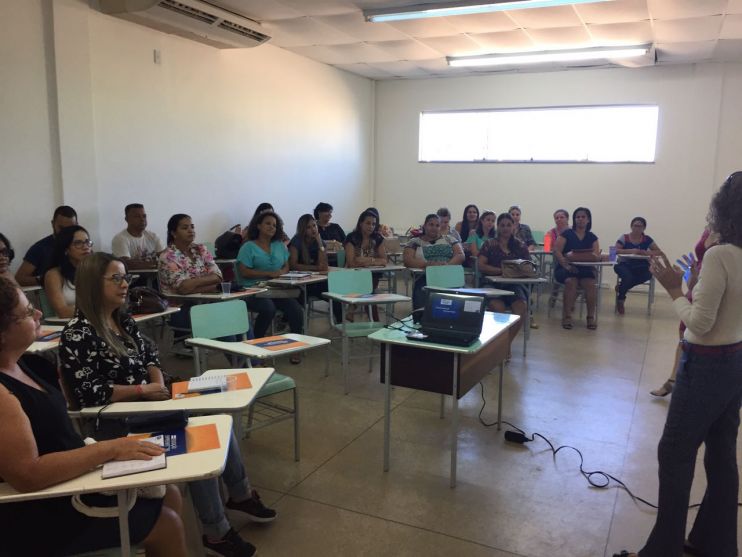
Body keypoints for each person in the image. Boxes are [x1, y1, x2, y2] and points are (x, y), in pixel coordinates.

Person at [60, 253, 275, 557]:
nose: (125, 286)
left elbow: (150, 356)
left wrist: (157, 383)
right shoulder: (77, 333)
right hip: (115, 421)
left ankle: (239, 495)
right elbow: (88, 393)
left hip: (149, 405)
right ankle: (216, 530)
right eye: (116, 279)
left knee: (215, 417)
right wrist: (143, 389)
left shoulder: (121, 320)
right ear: (93, 285)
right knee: (196, 433)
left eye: (126, 278)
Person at [0, 276, 188, 556]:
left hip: (69, 481)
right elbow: (28, 475)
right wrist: (110, 449)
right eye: (28, 312)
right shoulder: (2, 393)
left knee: (169, 492)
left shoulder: (28, 364)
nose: (39, 313)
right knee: (166, 523)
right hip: (39, 509)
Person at [616, 172, 742, 557]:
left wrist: (674, 287)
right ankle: (713, 543)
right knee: (722, 452)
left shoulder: (721, 255)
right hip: (736, 362)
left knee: (674, 453)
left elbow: (700, 325)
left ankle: (663, 550)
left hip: (704, 364)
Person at [650, 228, 719, 397]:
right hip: (697, 282)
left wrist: (676, 287)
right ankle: (673, 379)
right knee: (683, 333)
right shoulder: (710, 228)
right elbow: (702, 258)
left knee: (697, 333)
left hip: (711, 287)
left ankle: (684, 383)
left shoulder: (731, 238)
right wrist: (692, 273)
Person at [236, 210, 304, 361]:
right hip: (252, 289)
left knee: (295, 309)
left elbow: (286, 266)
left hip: (274, 288)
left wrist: (280, 272)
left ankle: (296, 348)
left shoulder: (280, 245)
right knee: (268, 308)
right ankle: (256, 347)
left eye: (274, 225)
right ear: (258, 226)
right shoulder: (248, 247)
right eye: (267, 223)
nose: (271, 227)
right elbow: (243, 272)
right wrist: (267, 274)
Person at [478, 213, 530, 357]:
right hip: (491, 284)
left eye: (509, 225)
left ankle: (505, 345)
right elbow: (481, 265)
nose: (506, 228)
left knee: (521, 308)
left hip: (513, 285)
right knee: (498, 308)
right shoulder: (490, 244)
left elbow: (529, 266)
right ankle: (498, 344)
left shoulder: (520, 245)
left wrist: (517, 272)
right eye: (502, 225)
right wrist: (501, 271)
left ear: (514, 226)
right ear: (498, 227)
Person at [403, 213, 465, 315]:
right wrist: (428, 264)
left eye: (437, 225)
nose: (434, 228)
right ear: (424, 226)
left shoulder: (449, 239)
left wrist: (446, 266)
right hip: (425, 276)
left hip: (448, 275)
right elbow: (407, 260)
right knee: (421, 299)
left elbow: (460, 255)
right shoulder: (415, 241)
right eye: (431, 225)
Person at [553, 207, 600, 330]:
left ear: (588, 219)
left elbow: (596, 256)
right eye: (577, 217)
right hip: (565, 269)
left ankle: (590, 317)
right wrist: (566, 265)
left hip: (585, 270)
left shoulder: (592, 237)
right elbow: (557, 251)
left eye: (583, 217)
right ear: (574, 219)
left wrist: (589, 258)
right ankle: (567, 316)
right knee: (571, 282)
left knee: (591, 284)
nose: (580, 219)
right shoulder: (566, 234)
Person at [289, 213, 342, 322]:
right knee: (298, 298)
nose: (313, 229)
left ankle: (341, 324)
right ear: (303, 229)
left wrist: (320, 243)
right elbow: (293, 265)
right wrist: (315, 268)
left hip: (316, 282)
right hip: (300, 282)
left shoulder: (319, 241)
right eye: (309, 227)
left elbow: (323, 266)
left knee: (336, 295)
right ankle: (296, 325)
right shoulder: (296, 241)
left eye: (314, 226)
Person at [158, 214, 222, 298]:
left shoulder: (201, 249)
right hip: (181, 305)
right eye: (185, 228)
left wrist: (194, 283)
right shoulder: (167, 257)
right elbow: (183, 288)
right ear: (174, 233)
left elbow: (218, 276)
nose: (190, 230)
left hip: (207, 300)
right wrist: (213, 286)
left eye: (192, 227)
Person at [15, 205, 77, 286]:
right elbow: (19, 279)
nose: (66, 232)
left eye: (71, 228)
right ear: (52, 224)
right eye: (61, 228)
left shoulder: (82, 245)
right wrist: (46, 279)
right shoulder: (39, 248)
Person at [613, 217, 663, 314]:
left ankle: (622, 287)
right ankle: (621, 299)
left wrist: (645, 253)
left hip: (641, 265)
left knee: (649, 274)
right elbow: (615, 250)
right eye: (635, 225)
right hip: (624, 264)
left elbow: (659, 251)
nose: (637, 228)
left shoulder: (647, 239)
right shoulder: (624, 237)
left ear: (644, 228)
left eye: (640, 226)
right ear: (631, 226)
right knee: (628, 277)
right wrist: (631, 251)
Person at [44, 225, 93, 318]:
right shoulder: (54, 275)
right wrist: (97, 309)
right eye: (78, 243)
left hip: (98, 322)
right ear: (66, 249)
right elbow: (63, 311)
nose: (86, 247)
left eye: (87, 242)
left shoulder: (96, 270)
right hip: (67, 325)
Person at [111, 203, 164, 270]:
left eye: (144, 216)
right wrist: (157, 263)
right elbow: (126, 264)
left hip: (154, 278)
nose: (142, 219)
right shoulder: (120, 239)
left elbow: (166, 260)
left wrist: (161, 263)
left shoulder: (153, 236)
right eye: (137, 216)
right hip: (133, 279)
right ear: (127, 219)